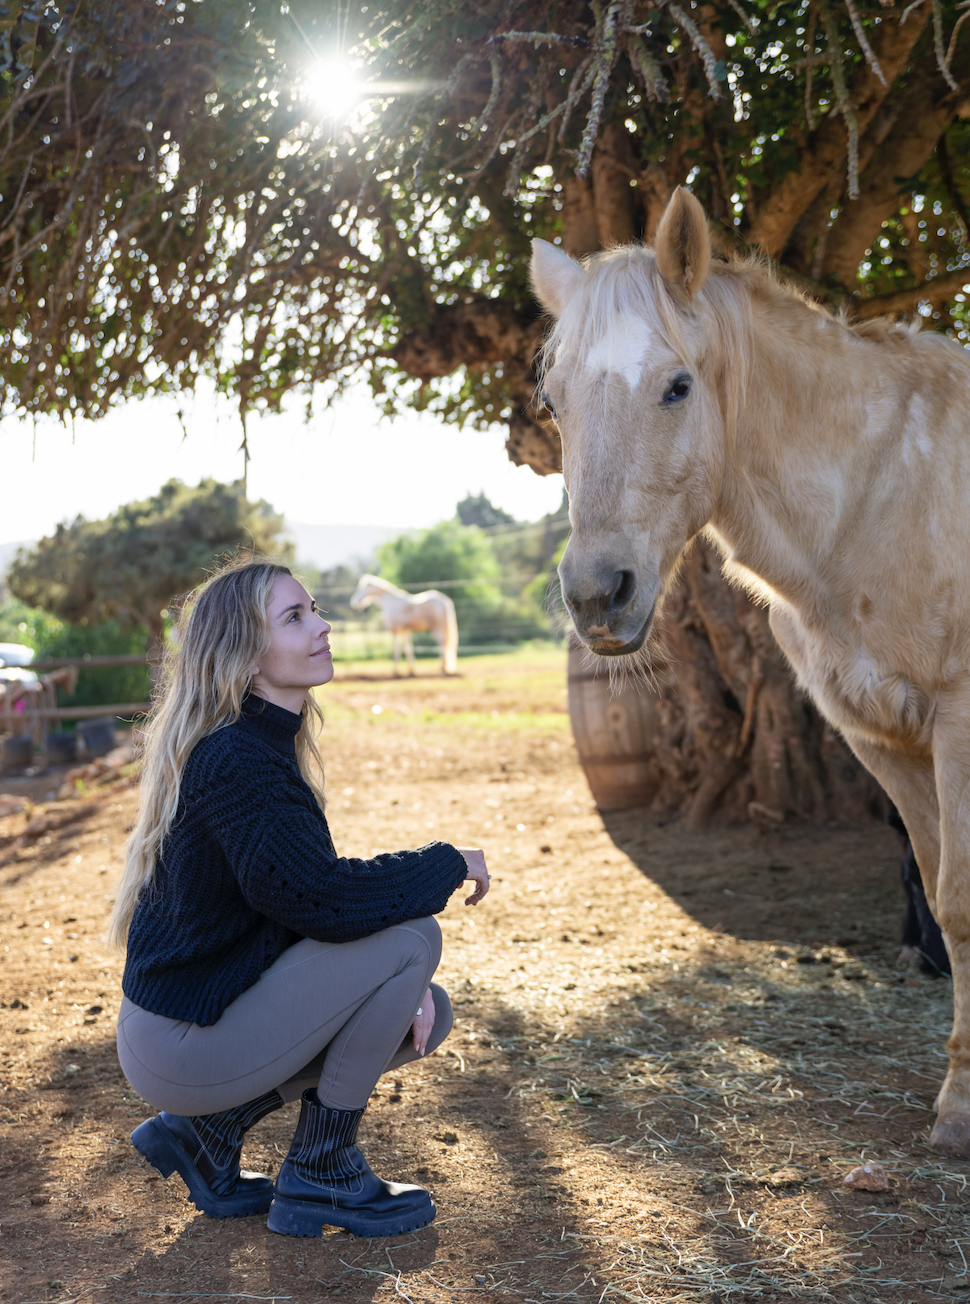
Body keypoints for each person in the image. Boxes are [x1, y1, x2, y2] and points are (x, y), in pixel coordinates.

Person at [109, 558, 489, 1239]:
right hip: (179, 1040)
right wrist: (445, 864)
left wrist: (401, 991)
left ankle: (211, 1134)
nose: (323, 624)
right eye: (296, 617)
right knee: (415, 942)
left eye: (313, 608)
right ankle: (323, 1167)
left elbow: (286, 903)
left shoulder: (258, 745)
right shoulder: (238, 760)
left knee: (424, 1002)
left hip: (188, 1028)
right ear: (248, 658)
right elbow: (318, 900)